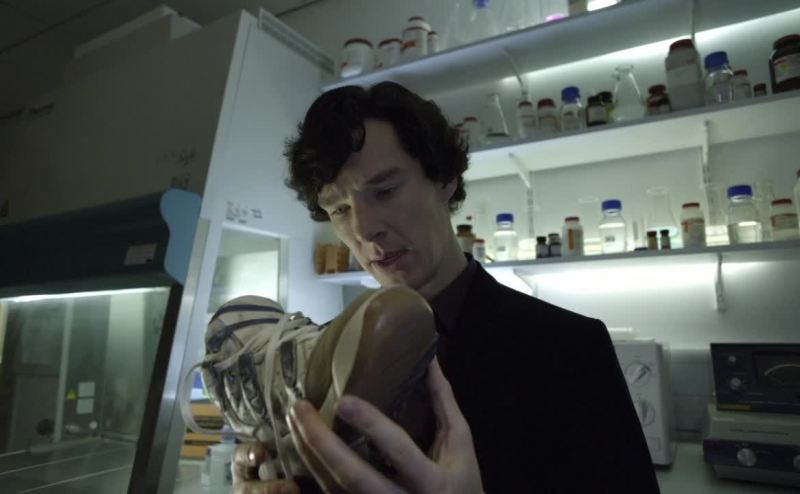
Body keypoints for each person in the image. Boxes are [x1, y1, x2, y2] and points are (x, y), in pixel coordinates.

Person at [231, 82, 660, 493]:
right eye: (340, 209)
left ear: (445, 180)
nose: (363, 229)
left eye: (385, 190)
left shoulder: (569, 349)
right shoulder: (321, 354)